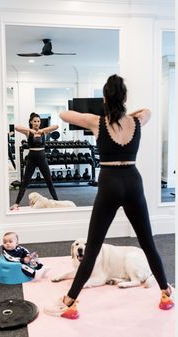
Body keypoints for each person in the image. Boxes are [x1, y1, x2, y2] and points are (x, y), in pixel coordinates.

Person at [44, 74, 174, 319]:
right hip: (133, 181)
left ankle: (69, 301)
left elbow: (64, 115)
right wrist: (123, 111)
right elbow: (147, 111)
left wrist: (105, 111)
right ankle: (166, 292)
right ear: (124, 97)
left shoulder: (96, 122)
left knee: (93, 247)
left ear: (105, 96)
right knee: (148, 243)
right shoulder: (137, 120)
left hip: (110, 182)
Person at [10, 112, 59, 210]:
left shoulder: (43, 132)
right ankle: (16, 204)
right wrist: (31, 130)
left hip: (42, 158)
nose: (37, 123)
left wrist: (42, 130)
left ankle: (57, 202)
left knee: (49, 181)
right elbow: (16, 128)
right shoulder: (28, 132)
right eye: (35, 121)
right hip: (32, 158)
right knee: (25, 182)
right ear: (31, 122)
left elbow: (56, 126)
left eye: (38, 121)